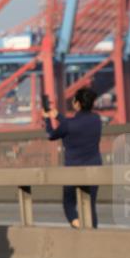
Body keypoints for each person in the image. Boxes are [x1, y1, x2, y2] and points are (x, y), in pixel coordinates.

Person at [45, 87, 103, 228]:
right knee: (90, 205)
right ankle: (92, 232)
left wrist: (48, 119)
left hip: (73, 170)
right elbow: (75, 125)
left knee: (69, 204)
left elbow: (52, 135)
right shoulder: (97, 120)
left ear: (77, 103)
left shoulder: (68, 125)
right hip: (94, 169)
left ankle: (78, 227)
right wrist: (58, 116)